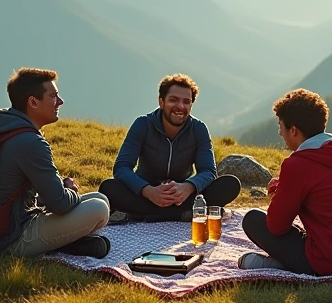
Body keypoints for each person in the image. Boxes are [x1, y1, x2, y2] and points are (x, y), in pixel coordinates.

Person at [238, 90, 332, 274]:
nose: (280, 132)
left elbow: (276, 227)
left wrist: (279, 195)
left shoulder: (297, 165)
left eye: (281, 126)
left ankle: (280, 265)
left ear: (293, 130)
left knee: (253, 220)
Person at [0, 68, 111, 257]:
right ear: (33, 102)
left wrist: (60, 190)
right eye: (53, 96)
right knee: (99, 209)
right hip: (7, 241)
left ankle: (65, 244)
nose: (60, 101)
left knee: (100, 198)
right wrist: (71, 189)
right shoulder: (29, 142)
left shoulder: (0, 125)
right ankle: (62, 245)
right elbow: (60, 203)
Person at [97, 74, 240, 222]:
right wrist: (148, 191)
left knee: (230, 184)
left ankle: (145, 215)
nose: (180, 106)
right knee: (108, 188)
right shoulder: (143, 124)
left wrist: (188, 187)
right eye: (173, 100)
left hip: (182, 196)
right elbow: (122, 167)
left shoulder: (199, 129)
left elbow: (208, 171)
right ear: (161, 102)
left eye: (187, 102)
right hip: (146, 194)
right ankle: (179, 215)